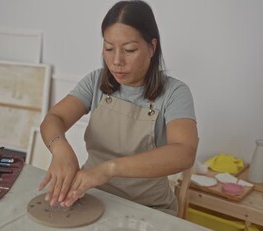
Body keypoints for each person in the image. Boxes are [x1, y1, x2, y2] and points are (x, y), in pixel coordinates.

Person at [39, 0, 198, 216]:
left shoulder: (175, 93)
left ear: (152, 47)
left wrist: (109, 169)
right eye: (108, 48)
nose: (116, 61)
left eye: (129, 50)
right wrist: (60, 149)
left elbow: (184, 153)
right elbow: (54, 118)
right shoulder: (95, 81)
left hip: (149, 208)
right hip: (92, 196)